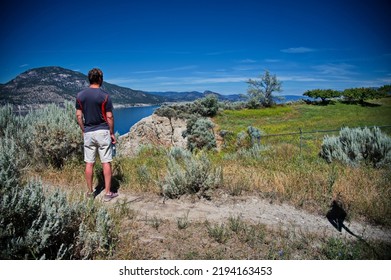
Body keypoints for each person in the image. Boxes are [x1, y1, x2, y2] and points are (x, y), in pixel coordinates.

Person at [75, 68, 118, 201]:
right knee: (106, 162)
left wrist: (83, 130)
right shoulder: (105, 96)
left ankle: (89, 192)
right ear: (100, 79)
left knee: (89, 163)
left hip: (89, 132)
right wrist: (111, 133)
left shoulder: (80, 95)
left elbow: (78, 115)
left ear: (89, 79)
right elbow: (109, 117)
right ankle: (107, 194)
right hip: (103, 131)